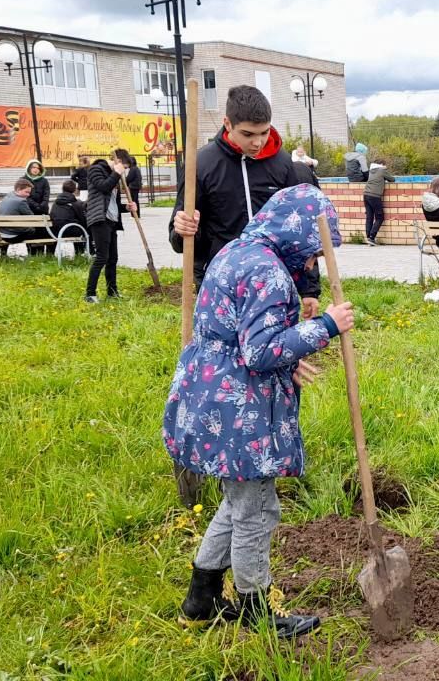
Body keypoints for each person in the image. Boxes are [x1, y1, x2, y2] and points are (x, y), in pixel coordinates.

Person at [164, 184, 352, 637]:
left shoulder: (238, 251)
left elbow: (240, 332)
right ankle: (254, 608)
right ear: (298, 237)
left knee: (239, 502)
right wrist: (324, 325)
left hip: (212, 394)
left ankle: (201, 597)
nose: (312, 264)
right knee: (256, 511)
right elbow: (261, 353)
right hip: (238, 409)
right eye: (313, 254)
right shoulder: (267, 272)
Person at [170, 85, 322, 305]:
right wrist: (181, 229)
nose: (258, 142)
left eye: (264, 132)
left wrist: (309, 290)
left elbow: (296, 231)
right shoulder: (201, 164)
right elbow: (179, 240)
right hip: (219, 281)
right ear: (227, 124)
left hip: (273, 279)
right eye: (248, 134)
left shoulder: (281, 163)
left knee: (273, 340)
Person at [85, 155, 136, 302]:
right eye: (124, 167)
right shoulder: (96, 169)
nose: (124, 172)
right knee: (101, 257)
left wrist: (127, 207)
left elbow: (114, 203)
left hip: (112, 221)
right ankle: (90, 294)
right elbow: (103, 187)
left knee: (113, 258)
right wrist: (117, 173)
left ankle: (112, 292)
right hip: (99, 218)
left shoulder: (115, 176)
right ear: (117, 162)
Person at [0, 178, 51, 253]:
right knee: (37, 231)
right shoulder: (21, 201)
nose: (28, 195)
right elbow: (32, 217)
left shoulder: (7, 197)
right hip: (13, 236)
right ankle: (35, 254)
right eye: (26, 192)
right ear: (18, 189)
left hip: (2, 233)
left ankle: (0, 251)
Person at [50, 179, 88, 258]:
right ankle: (80, 254)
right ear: (74, 190)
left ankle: (50, 255)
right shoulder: (76, 203)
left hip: (56, 231)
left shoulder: (55, 203)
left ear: (62, 189)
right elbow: (82, 219)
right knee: (81, 227)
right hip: (71, 230)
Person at [363, 161, 395, 246]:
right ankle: (372, 237)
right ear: (382, 165)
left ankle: (368, 237)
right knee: (380, 217)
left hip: (366, 195)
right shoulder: (382, 170)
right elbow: (392, 179)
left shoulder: (371, 171)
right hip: (374, 196)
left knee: (369, 217)